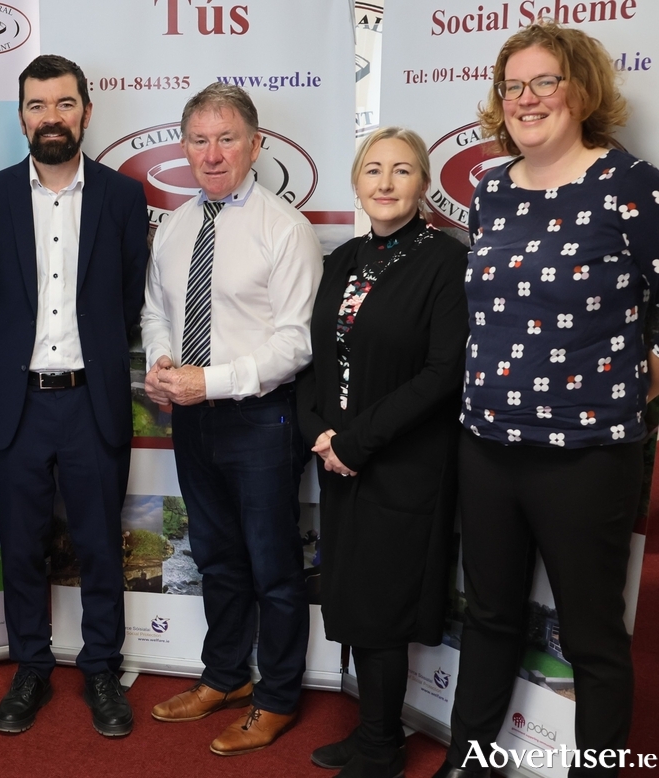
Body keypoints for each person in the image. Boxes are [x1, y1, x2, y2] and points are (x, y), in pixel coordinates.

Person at [432, 20, 659, 778]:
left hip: (587, 455)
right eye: (513, 85)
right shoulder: (490, 187)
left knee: (592, 638)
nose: (526, 99)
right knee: (491, 617)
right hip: (487, 444)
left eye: (544, 82)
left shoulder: (631, 185)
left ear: (581, 90)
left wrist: (648, 364)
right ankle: (470, 762)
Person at [0, 55, 149, 737]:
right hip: (18, 405)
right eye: (37, 106)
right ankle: (31, 668)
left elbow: (128, 299)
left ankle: (102, 667)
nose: (50, 118)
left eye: (64, 104)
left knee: (101, 545)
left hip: (91, 401)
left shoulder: (123, 200)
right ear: (21, 116)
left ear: (86, 113)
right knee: (20, 548)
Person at [141, 82, 323, 755]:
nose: (212, 153)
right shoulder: (177, 225)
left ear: (255, 144)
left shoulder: (286, 228)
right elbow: (157, 307)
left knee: (273, 567)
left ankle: (276, 697)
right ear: (184, 147)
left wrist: (207, 381)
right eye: (199, 139)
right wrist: (163, 361)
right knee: (216, 557)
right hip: (191, 422)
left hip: (260, 421)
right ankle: (224, 678)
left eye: (226, 138)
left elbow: (295, 344)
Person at [297, 127, 469, 778]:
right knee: (350, 598)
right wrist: (317, 432)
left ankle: (379, 749)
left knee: (383, 608)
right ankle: (375, 729)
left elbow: (442, 372)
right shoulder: (340, 260)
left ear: (424, 184)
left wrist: (356, 442)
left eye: (402, 170)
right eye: (373, 170)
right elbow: (317, 360)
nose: (386, 182)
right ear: (356, 182)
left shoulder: (446, 262)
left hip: (403, 465)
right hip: (340, 461)